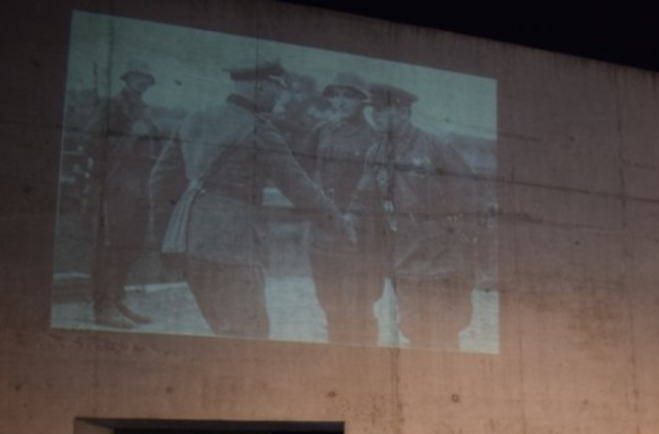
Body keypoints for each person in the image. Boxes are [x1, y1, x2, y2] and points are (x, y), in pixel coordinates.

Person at [149, 59, 350, 338]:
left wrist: (164, 236)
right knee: (250, 335)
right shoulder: (259, 130)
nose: (280, 96)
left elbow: (159, 181)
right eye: (277, 88)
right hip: (233, 244)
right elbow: (299, 187)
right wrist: (339, 223)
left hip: (188, 240)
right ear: (261, 86)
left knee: (222, 329)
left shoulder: (195, 118)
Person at [354, 83, 478, 349]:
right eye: (373, 109)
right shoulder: (375, 152)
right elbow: (364, 199)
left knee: (444, 329)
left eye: (382, 109)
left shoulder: (434, 146)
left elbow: (469, 195)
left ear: (404, 112)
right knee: (413, 327)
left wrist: (461, 245)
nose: (375, 115)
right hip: (404, 253)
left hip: (442, 255)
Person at [300, 73, 384, 345]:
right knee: (329, 303)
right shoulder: (321, 131)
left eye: (348, 96)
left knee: (359, 305)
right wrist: (312, 206)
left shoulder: (374, 138)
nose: (340, 102)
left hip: (358, 232)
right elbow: (299, 172)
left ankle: (366, 361)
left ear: (362, 102)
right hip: (323, 229)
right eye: (335, 95)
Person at [88, 59, 160, 329]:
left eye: (147, 78)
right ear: (127, 78)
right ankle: (103, 307)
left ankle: (118, 301)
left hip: (141, 183)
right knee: (112, 244)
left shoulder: (145, 110)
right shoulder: (111, 105)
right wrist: (130, 135)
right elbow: (92, 141)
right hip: (117, 183)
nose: (143, 81)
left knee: (132, 244)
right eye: (138, 76)